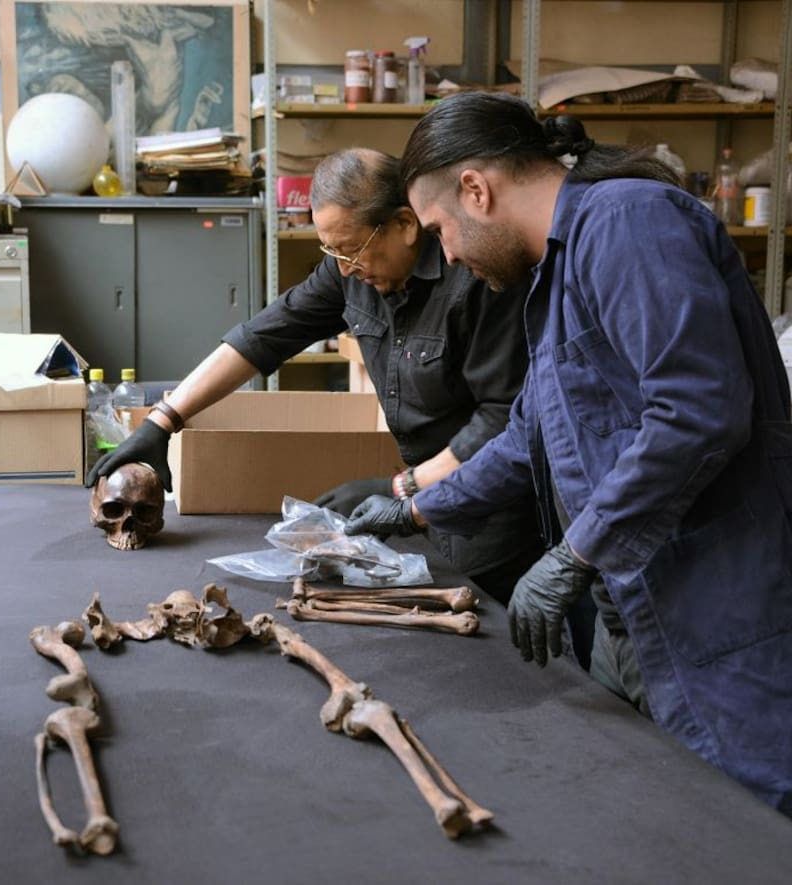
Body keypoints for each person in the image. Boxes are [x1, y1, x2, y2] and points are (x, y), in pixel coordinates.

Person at [344, 92, 792, 815]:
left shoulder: (627, 224)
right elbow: (531, 433)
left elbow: (697, 410)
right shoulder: (554, 275)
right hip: (635, 612)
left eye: (439, 231)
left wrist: (576, 553)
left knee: (745, 826)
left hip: (718, 607)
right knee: (650, 818)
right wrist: (417, 509)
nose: (448, 255)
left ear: (476, 190)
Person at [86, 147, 547, 609]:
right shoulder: (351, 268)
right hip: (421, 512)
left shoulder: (475, 277)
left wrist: (403, 488)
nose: (344, 267)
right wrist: (162, 421)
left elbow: (502, 419)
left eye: (352, 249)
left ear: (405, 225)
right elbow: (265, 335)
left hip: (492, 517)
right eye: (332, 251)